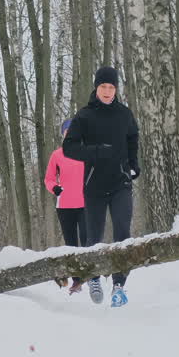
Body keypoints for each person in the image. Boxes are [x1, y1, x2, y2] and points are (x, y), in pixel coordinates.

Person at [61, 65, 140, 307]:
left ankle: (119, 285)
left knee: (123, 233)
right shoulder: (84, 116)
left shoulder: (124, 114)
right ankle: (94, 278)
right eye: (103, 87)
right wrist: (95, 152)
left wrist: (134, 164)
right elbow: (69, 148)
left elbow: (132, 138)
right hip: (94, 184)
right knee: (94, 237)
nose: (107, 92)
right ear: (96, 88)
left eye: (111, 87)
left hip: (120, 183)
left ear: (116, 89)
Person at [44, 118, 85, 288]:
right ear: (63, 134)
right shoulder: (57, 155)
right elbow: (48, 179)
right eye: (67, 132)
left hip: (86, 204)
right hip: (65, 205)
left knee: (88, 240)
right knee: (71, 244)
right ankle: (77, 279)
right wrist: (55, 188)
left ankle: (91, 275)